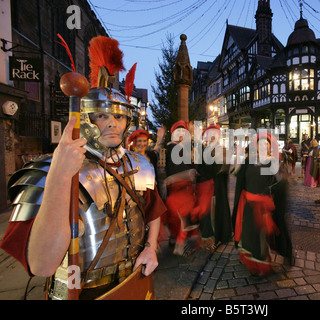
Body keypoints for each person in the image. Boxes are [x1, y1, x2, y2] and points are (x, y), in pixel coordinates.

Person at [0, 36, 166, 300]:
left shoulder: (140, 164)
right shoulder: (49, 170)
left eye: (119, 116)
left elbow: (153, 212)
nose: (113, 123)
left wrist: (150, 247)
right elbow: (41, 264)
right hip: (81, 289)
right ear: (86, 118)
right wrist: (59, 175)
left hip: (133, 279)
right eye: (102, 115)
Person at [232, 132, 292, 276]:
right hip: (247, 205)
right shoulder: (248, 161)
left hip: (263, 206)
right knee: (248, 235)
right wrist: (238, 157)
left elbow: (279, 181)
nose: (263, 146)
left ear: (271, 146)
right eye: (260, 144)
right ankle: (249, 260)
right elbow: (236, 174)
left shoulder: (273, 162)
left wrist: (281, 175)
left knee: (261, 236)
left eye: (266, 144)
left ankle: (261, 264)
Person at [192, 124, 232, 250]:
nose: (212, 136)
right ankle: (207, 236)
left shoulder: (223, 151)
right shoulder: (202, 150)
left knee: (214, 212)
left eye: (215, 134)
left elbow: (217, 169)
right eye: (210, 134)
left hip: (217, 187)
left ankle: (216, 237)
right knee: (205, 213)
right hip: (203, 187)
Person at [164, 120, 198, 256]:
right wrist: (188, 174)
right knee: (183, 217)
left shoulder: (179, 148)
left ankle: (174, 240)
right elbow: (177, 170)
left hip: (182, 188)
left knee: (178, 218)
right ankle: (179, 246)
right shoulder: (174, 148)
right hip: (179, 188)